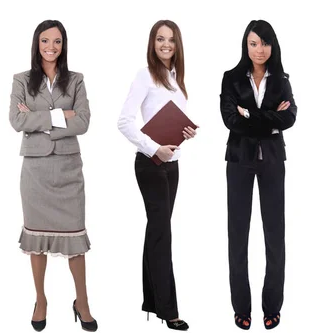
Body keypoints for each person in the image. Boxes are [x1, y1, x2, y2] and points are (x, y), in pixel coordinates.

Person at [10, 19, 97, 333]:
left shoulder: (75, 80)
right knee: (36, 242)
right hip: (35, 172)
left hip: (68, 169)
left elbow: (84, 121)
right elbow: (16, 121)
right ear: (37, 44)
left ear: (64, 45)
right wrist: (62, 115)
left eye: (57, 41)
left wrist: (38, 119)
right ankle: (40, 300)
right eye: (45, 41)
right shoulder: (21, 79)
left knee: (75, 241)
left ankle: (82, 301)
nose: (51, 47)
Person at [117, 19, 195, 331]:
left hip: (172, 164)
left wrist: (186, 133)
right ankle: (169, 310)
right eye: (160, 39)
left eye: (171, 40)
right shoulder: (145, 75)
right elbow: (124, 121)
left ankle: (152, 302)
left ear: (178, 45)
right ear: (152, 42)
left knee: (157, 231)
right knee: (163, 234)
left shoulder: (177, 78)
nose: (165, 45)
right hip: (150, 165)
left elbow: (169, 120)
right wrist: (154, 149)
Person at [219, 19, 296, 330]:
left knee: (274, 236)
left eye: (264, 43)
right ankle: (241, 307)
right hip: (239, 161)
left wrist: (249, 114)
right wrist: (269, 119)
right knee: (238, 236)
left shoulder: (282, 80)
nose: (259, 49)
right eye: (253, 43)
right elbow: (229, 120)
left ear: (272, 45)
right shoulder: (231, 78)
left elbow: (290, 117)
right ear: (245, 46)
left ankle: (272, 305)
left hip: (273, 162)